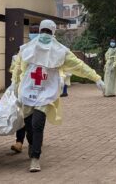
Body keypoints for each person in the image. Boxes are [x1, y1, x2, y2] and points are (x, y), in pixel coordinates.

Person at [11, 19, 105, 172]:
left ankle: (35, 158)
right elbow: (18, 68)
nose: (45, 35)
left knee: (37, 124)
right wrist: (14, 84)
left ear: (53, 33)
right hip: (28, 91)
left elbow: (79, 66)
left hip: (45, 93)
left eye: (48, 32)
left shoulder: (61, 51)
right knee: (29, 126)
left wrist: (96, 78)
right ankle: (33, 146)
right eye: (43, 31)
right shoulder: (27, 48)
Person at [10, 24, 39, 153]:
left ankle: (35, 143)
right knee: (22, 116)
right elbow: (15, 70)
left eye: (36, 31)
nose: (33, 34)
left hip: (39, 89)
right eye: (31, 31)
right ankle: (19, 142)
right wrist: (13, 85)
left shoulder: (45, 50)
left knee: (35, 119)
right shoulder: (24, 50)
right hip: (24, 89)